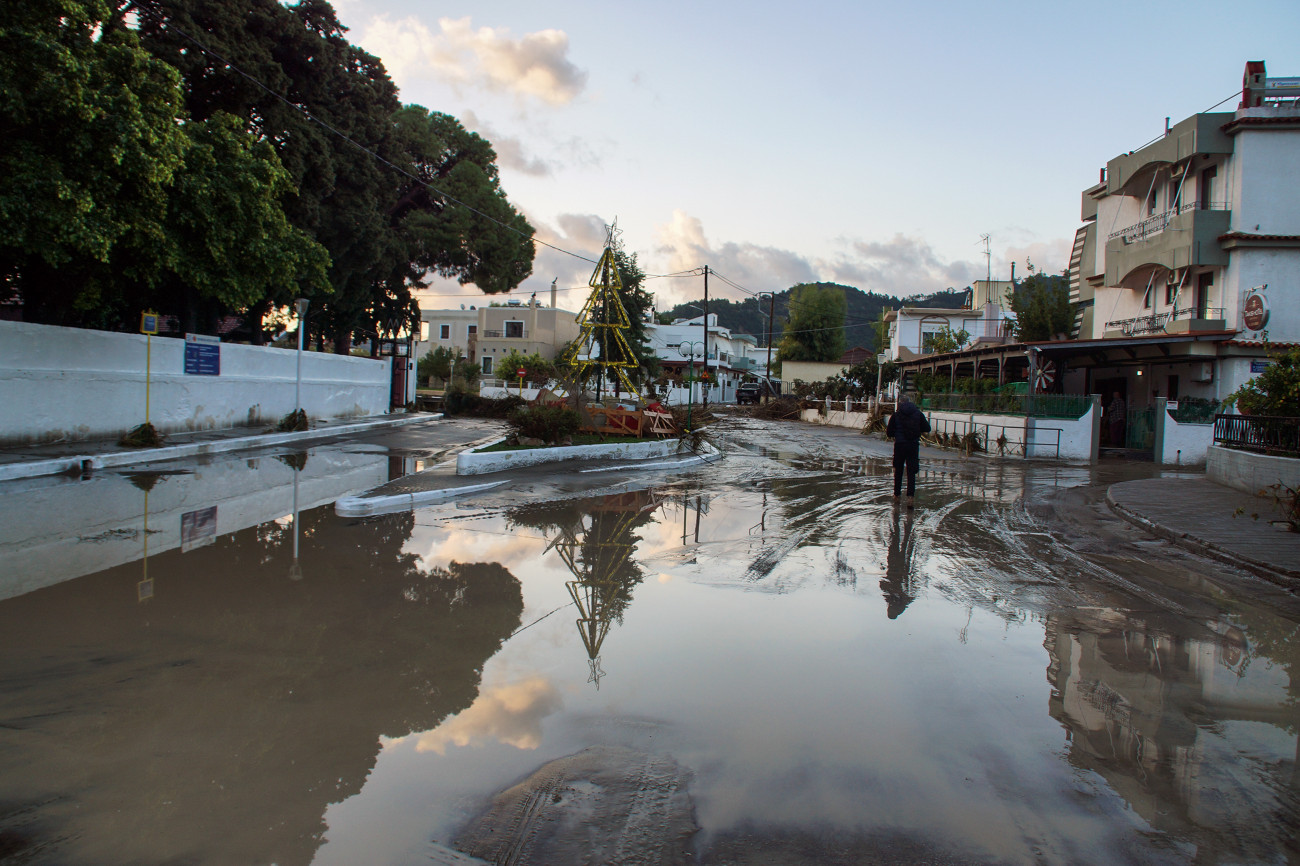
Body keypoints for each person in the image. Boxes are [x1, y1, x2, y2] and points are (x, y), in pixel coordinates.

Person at [886, 394, 930, 507]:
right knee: (911, 472)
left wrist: (897, 433)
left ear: (900, 403)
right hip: (913, 446)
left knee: (898, 470)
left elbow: (889, 432)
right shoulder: (918, 414)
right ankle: (910, 497)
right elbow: (927, 428)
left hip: (900, 445)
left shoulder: (896, 415)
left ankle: (896, 495)